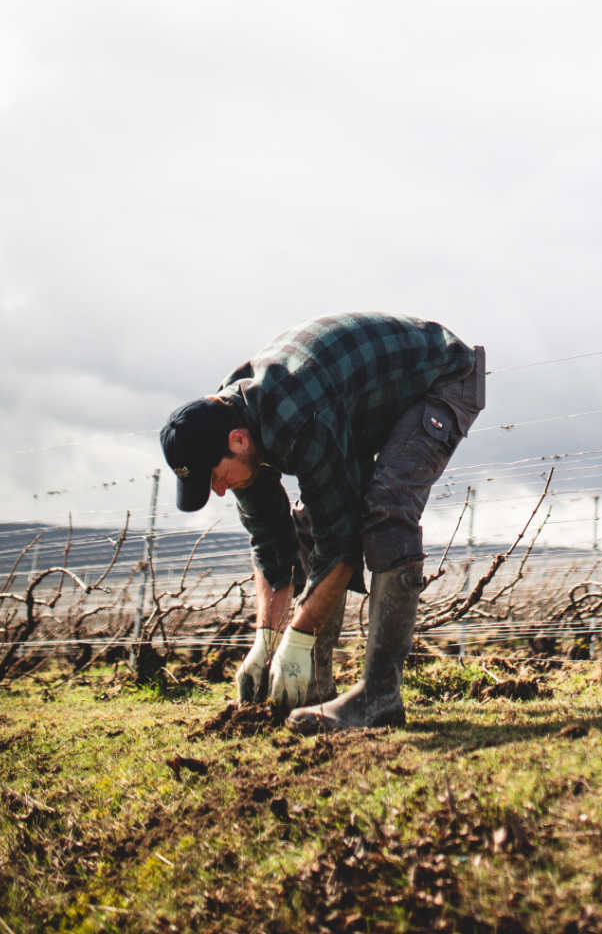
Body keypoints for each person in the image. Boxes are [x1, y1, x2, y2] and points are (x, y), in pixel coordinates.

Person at [159, 313, 485, 733]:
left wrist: (298, 634)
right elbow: (270, 543)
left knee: (386, 507)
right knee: (309, 524)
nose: (220, 491)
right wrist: (267, 638)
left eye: (218, 478)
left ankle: (379, 697)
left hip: (440, 377)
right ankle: (313, 688)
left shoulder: (294, 413)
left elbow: (341, 539)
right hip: (361, 404)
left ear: (238, 442)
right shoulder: (227, 425)